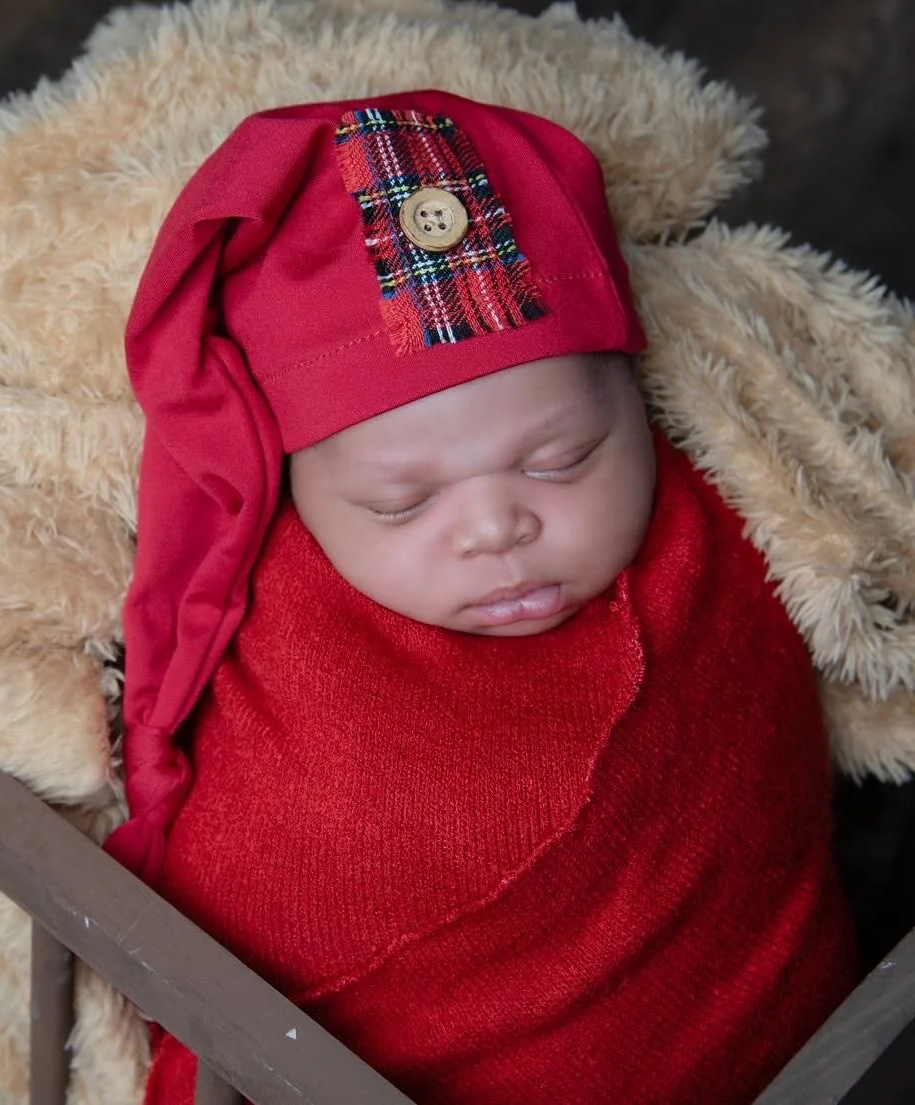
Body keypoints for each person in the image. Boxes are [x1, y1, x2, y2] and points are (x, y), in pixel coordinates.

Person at [104, 90, 857, 1104]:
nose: (496, 527)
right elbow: (236, 929)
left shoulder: (729, 530)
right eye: (399, 500)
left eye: (562, 459)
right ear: (293, 493)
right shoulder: (289, 650)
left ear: (638, 403)